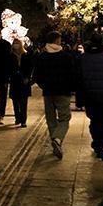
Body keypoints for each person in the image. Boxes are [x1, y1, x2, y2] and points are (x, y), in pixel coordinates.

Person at [33, 31, 79, 160]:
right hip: (63, 92)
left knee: (51, 118)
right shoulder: (66, 56)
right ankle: (57, 139)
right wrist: (71, 88)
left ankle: (55, 142)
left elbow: (37, 75)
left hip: (48, 92)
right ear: (58, 40)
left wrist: (44, 85)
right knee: (64, 118)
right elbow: (73, 74)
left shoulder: (42, 56)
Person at [79, 34, 103, 161]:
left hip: (89, 95)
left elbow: (78, 78)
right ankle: (100, 145)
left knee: (95, 120)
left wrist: (80, 98)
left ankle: (97, 144)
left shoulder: (82, 58)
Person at [9, 39, 34, 127]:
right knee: (15, 101)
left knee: (23, 102)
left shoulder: (26, 55)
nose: (16, 45)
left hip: (24, 81)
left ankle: (23, 120)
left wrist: (28, 77)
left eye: (17, 43)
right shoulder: (10, 55)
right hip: (14, 81)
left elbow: (30, 67)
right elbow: (8, 68)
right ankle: (17, 118)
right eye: (14, 44)